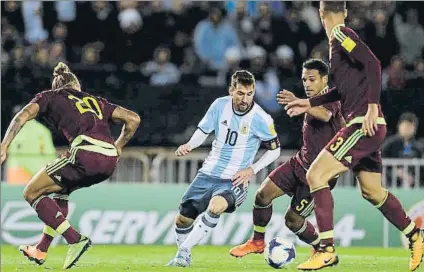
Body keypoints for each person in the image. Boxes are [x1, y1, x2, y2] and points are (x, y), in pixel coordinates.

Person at [283, 2, 424, 271]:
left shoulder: (339, 35)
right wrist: (308, 102)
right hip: (371, 126)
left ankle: (326, 249)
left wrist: (371, 106)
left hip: (362, 124)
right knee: (372, 191)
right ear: (345, 11)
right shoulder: (339, 46)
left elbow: (374, 64)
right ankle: (416, 236)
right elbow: (341, 91)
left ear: (321, 14)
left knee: (316, 175)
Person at [0, 62, 140, 269]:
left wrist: (4, 145)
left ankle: (75, 239)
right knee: (61, 193)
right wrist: (118, 146)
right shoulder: (96, 101)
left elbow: (22, 116)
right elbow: (133, 119)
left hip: (86, 153)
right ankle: (41, 249)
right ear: (76, 86)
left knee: (31, 192)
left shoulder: (49, 96)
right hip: (109, 160)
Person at [229, 59, 344, 257]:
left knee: (293, 220)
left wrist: (301, 104)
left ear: (324, 80)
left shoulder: (330, 97)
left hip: (318, 175)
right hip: (299, 162)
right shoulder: (310, 101)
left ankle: (320, 248)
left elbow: (325, 115)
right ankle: (257, 242)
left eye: (311, 79)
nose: (306, 84)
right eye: (304, 79)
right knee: (262, 195)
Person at [166, 70, 281, 267]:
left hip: (233, 179)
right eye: (240, 93)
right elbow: (204, 130)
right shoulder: (220, 105)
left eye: (250, 94)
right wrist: (190, 145)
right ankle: (183, 255)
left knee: (216, 206)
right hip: (208, 173)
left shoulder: (261, 118)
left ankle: (184, 252)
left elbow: (275, 150)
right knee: (182, 219)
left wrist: (252, 169)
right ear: (231, 90)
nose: (245, 99)